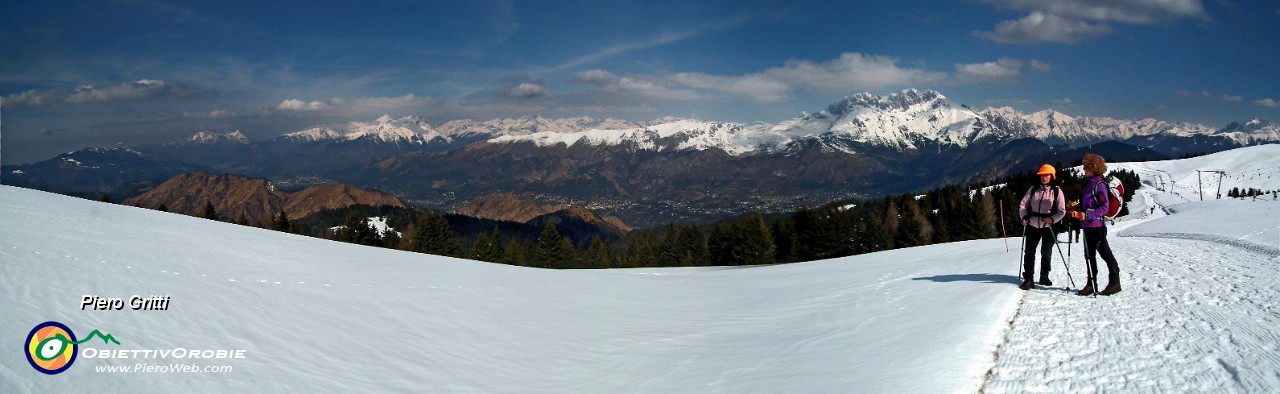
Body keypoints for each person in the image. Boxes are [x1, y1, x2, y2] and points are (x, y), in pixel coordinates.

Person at [1070, 154, 1122, 296]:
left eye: (1086, 167)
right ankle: (1091, 283)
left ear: (1093, 168)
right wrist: (1078, 208)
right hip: (1087, 227)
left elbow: (1104, 208)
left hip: (1097, 227)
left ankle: (1114, 282)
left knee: (1105, 254)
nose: (1083, 170)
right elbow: (1088, 203)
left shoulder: (1100, 185)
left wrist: (1087, 215)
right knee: (1089, 256)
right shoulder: (1091, 184)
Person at [1018, 164, 1066, 290]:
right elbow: (1023, 205)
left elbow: (1062, 211)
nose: (1044, 177)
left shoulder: (1057, 192)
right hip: (1033, 224)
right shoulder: (1033, 189)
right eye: (1042, 175)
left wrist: (1052, 219)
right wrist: (1024, 217)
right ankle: (1028, 278)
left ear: (1052, 176)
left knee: (1046, 253)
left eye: (1047, 175)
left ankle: (1044, 276)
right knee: (1029, 252)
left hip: (1049, 226)